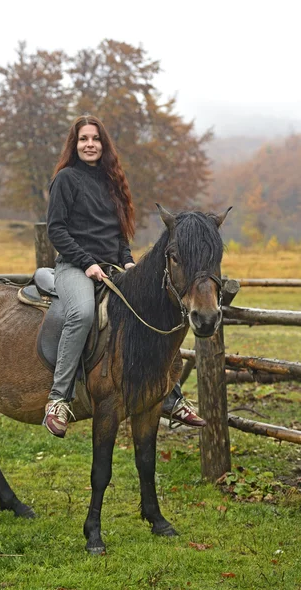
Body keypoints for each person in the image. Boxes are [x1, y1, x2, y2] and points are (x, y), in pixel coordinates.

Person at [44, 114, 205, 438]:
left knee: (150, 313)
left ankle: (170, 398)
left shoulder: (111, 182)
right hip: (75, 268)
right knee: (82, 313)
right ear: (74, 146)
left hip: (112, 268)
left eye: (95, 139)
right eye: (83, 139)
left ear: (103, 145)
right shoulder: (65, 179)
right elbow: (56, 230)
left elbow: (118, 235)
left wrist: (128, 262)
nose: (90, 144)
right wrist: (87, 262)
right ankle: (59, 399)